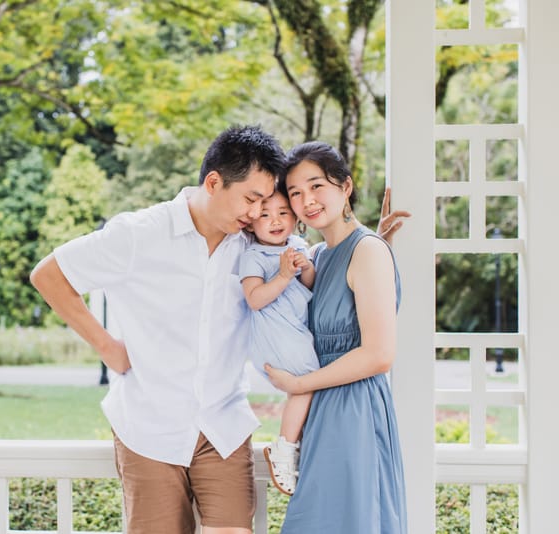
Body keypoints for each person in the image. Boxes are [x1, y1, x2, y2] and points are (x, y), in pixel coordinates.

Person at [30, 124, 285, 534]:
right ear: (213, 182)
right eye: (251, 199)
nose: (257, 213)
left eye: (264, 202)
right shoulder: (140, 233)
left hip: (223, 425)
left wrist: (368, 240)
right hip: (149, 426)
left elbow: (316, 263)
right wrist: (108, 348)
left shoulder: (255, 245)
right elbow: (49, 275)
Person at [265, 141, 408, 533]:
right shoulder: (317, 257)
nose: (306, 201)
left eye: (316, 186)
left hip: (354, 409)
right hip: (320, 409)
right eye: (295, 193)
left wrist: (299, 384)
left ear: (345, 186)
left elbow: (379, 354)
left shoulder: (367, 250)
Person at [238, 188, 318, 496]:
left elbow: (309, 285)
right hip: (274, 335)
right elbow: (254, 299)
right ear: (251, 223)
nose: (275, 221)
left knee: (307, 387)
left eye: (283, 213)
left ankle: (295, 444)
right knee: (307, 382)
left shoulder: (297, 245)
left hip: (295, 331)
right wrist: (283, 275)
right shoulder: (254, 256)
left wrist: (306, 267)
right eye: (265, 215)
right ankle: (284, 448)